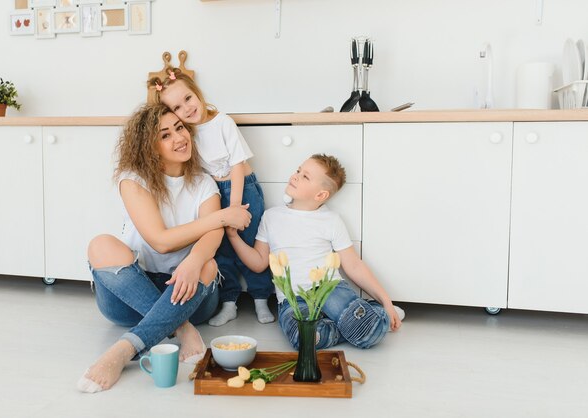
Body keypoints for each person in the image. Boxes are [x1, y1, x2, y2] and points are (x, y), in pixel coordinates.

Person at [77, 103, 252, 393]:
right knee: (100, 245)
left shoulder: (203, 183)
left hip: (186, 291)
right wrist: (221, 216)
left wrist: (194, 260)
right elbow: (160, 239)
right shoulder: (133, 179)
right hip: (131, 297)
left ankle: (124, 349)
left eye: (180, 128)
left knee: (207, 263)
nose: (179, 138)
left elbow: (212, 236)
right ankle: (182, 329)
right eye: (165, 135)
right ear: (150, 145)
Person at [226, 154, 405, 350]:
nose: (295, 176)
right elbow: (259, 262)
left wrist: (386, 301)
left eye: (305, 177)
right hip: (292, 299)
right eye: (298, 171)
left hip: (329, 290)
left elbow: (353, 265)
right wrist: (234, 237)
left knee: (368, 335)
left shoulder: (331, 220)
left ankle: (372, 316)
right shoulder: (271, 217)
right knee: (305, 339)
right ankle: (358, 321)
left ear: (320, 195)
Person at [147, 69, 275, 326]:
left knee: (249, 244)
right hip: (215, 195)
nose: (187, 108)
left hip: (242, 189)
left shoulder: (222, 122)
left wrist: (236, 207)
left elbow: (238, 165)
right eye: (177, 107)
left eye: (188, 98)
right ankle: (229, 302)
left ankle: (261, 297)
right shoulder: (187, 134)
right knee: (221, 251)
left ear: (198, 94)